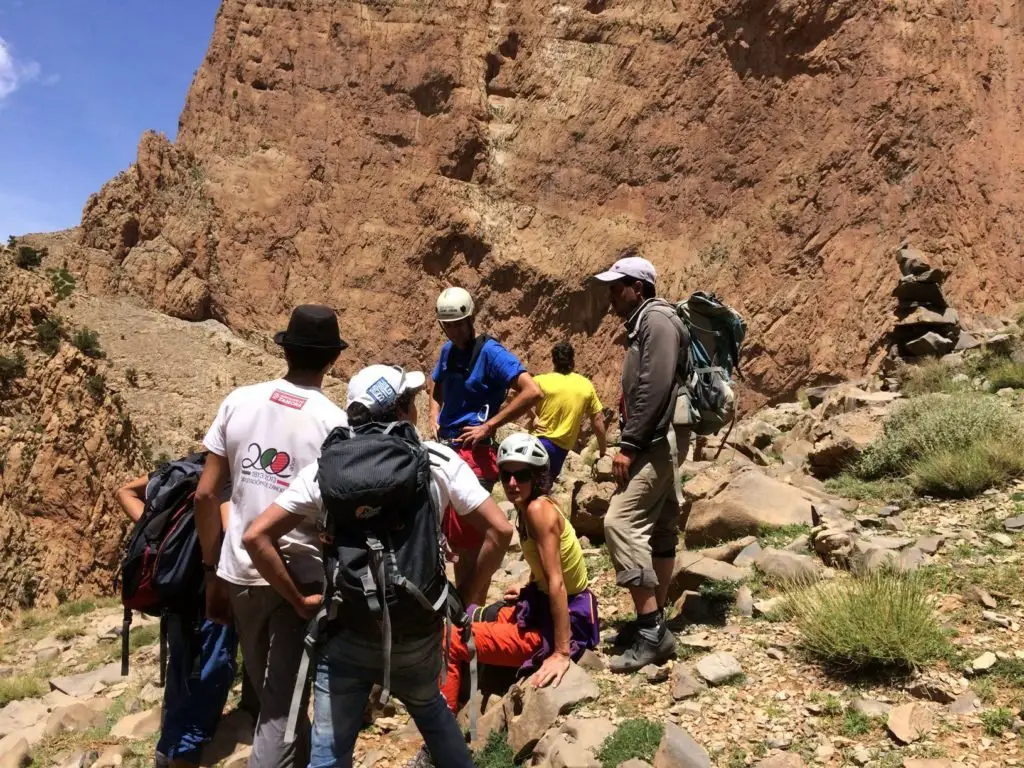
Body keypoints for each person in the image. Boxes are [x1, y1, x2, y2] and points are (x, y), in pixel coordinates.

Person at [241, 364, 512, 768]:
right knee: (434, 714)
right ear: (403, 408)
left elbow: (255, 537)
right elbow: (500, 530)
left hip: (347, 630)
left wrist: (298, 601)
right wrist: (468, 601)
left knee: (329, 754)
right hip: (418, 629)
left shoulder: (326, 470)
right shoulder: (437, 459)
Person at [194, 305, 348, 768]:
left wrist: (212, 571)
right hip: (298, 580)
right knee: (281, 709)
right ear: (331, 360)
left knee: (272, 696)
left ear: (286, 348)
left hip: (239, 570)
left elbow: (206, 495)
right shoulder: (335, 423)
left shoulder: (239, 400)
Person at [441, 433, 599, 714]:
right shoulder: (528, 507)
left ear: (536, 477)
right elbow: (551, 567)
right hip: (539, 604)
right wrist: (529, 585)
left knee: (451, 639)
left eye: (522, 475)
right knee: (475, 612)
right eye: (506, 475)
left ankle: (438, 737)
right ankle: (463, 693)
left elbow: (557, 581)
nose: (512, 483)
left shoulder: (538, 510)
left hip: (555, 623)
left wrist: (561, 653)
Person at [593, 253, 689, 672]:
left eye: (618, 286)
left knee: (620, 523)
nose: (611, 295)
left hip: (655, 441)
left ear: (640, 288)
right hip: (661, 439)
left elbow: (654, 385)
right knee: (662, 525)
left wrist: (628, 445)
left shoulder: (656, 321)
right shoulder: (645, 322)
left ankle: (651, 629)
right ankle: (656, 619)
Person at [115, 472, 238, 768]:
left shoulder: (180, 470)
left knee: (181, 665)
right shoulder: (228, 479)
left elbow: (124, 491)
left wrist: (163, 537)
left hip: (175, 589)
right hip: (208, 590)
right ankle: (184, 753)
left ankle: (168, 746)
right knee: (210, 668)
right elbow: (229, 529)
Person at [430, 286, 542, 605]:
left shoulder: (491, 353)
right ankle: (465, 611)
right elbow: (435, 388)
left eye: (458, 324)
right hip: (448, 450)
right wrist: (433, 415)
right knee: (453, 537)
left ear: (471, 320)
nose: (453, 330)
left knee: (469, 542)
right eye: (447, 325)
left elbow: (531, 390)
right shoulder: (447, 352)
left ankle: (468, 612)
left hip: (475, 455)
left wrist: (489, 425)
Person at [529, 342, 607, 479]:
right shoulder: (585, 385)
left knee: (527, 484)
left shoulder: (540, 381)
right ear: (573, 360)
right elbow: (598, 420)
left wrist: (534, 417)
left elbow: (517, 395)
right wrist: (603, 450)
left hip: (535, 442)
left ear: (553, 361)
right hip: (559, 449)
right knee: (542, 487)